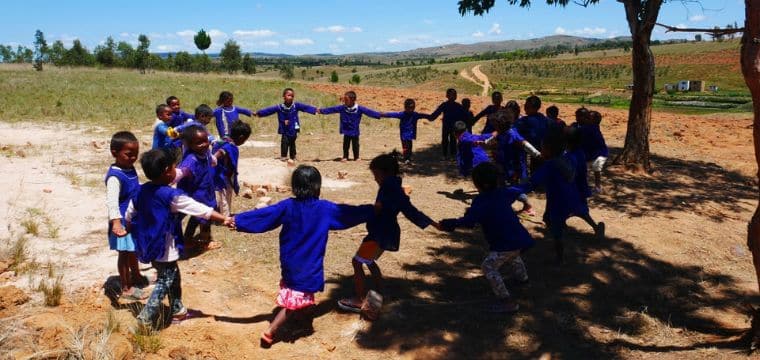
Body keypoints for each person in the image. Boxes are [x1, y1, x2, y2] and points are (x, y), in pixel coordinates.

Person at [233, 165, 373, 348]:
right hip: (308, 264)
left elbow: (263, 216)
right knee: (294, 300)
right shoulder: (325, 209)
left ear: (294, 186)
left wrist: (238, 221)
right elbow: (349, 213)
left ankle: (304, 319)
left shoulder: (287, 206)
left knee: (297, 291)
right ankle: (270, 332)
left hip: (290, 262)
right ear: (317, 187)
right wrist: (372, 210)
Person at [126, 148, 232, 330]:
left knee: (172, 275)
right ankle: (146, 316)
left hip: (148, 243)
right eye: (175, 168)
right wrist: (224, 218)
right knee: (165, 280)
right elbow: (200, 209)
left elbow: (130, 213)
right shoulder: (171, 197)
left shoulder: (141, 190)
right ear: (168, 171)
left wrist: (129, 228)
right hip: (164, 245)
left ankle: (178, 309)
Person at [337, 154, 438, 317]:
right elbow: (409, 210)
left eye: (376, 175)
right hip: (383, 231)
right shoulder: (392, 186)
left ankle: (359, 298)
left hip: (381, 233)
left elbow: (409, 211)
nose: (375, 179)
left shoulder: (391, 188)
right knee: (369, 262)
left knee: (357, 262)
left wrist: (433, 223)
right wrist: (433, 224)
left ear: (386, 172)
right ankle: (382, 291)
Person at [439, 162, 534, 313]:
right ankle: (523, 280)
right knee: (514, 255)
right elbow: (520, 189)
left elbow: (469, 222)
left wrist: (449, 223)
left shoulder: (481, 202)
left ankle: (507, 301)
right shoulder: (505, 192)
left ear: (478, 184)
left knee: (488, 266)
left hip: (504, 242)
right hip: (521, 238)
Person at [510, 131, 604, 264]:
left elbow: (532, 183)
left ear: (548, 150)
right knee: (576, 212)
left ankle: (560, 258)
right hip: (571, 196)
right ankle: (592, 228)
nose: (541, 150)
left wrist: (513, 191)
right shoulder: (567, 158)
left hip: (557, 201)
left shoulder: (549, 166)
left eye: (542, 148)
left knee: (556, 230)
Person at [105, 131, 146, 301]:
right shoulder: (115, 177)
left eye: (135, 155)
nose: (133, 158)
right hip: (121, 222)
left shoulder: (129, 168)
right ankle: (126, 286)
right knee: (124, 253)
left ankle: (136, 275)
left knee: (133, 251)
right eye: (129, 154)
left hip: (133, 219)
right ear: (114, 152)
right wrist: (116, 223)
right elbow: (112, 202)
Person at [175, 125, 220, 251]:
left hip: (205, 190)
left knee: (197, 217)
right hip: (195, 193)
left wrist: (213, 159)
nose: (204, 145)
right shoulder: (191, 159)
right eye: (199, 143)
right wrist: (172, 178)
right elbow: (182, 172)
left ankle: (188, 238)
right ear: (189, 145)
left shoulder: (205, 153)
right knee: (204, 217)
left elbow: (210, 158)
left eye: (205, 141)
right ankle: (205, 241)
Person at [488, 110, 541, 216]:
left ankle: (521, 206)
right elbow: (493, 141)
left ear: (502, 124)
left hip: (513, 168)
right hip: (503, 165)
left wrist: (537, 154)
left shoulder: (512, 134)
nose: (495, 127)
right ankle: (521, 205)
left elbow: (524, 144)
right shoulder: (500, 133)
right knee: (504, 187)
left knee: (511, 188)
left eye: (496, 125)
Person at [254, 88, 318, 161]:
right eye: (289, 95)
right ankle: (284, 156)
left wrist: (315, 110)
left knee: (292, 143)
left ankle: (293, 157)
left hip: (293, 128)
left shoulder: (296, 106)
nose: (291, 97)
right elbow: (269, 110)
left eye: (292, 96)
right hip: (284, 129)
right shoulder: (279, 107)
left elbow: (305, 107)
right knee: (284, 142)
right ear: (284, 96)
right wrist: (259, 113)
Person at [318, 90, 382, 161]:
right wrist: (321, 111)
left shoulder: (359, 109)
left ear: (352, 100)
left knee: (355, 144)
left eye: (346, 100)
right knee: (346, 144)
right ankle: (345, 156)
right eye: (344, 100)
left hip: (355, 130)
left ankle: (356, 157)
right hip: (346, 130)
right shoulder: (342, 108)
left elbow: (369, 112)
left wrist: (379, 115)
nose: (344, 101)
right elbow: (332, 109)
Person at [213, 121, 251, 216]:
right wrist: (214, 158)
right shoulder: (229, 146)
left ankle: (222, 212)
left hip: (222, 174)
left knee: (223, 195)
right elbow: (222, 151)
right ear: (241, 137)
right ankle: (225, 217)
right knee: (224, 196)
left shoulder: (224, 139)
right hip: (223, 175)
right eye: (244, 140)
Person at [380, 99, 434, 164]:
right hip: (404, 134)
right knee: (405, 147)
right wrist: (381, 114)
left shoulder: (415, 115)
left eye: (413, 107)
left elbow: (423, 115)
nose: (411, 109)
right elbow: (392, 114)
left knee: (410, 146)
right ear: (405, 107)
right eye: (410, 107)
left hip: (411, 134)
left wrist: (430, 117)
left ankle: (409, 157)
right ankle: (406, 158)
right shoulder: (402, 114)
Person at [514, 96, 552, 173]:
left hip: (533, 152)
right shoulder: (543, 118)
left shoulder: (525, 121)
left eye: (527, 106)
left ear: (534, 108)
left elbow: (513, 127)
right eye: (525, 105)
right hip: (544, 150)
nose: (525, 107)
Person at [429, 88, 466, 161]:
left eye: (454, 95)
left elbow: (464, 115)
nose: (453, 96)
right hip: (446, 125)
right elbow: (437, 112)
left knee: (453, 140)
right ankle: (444, 154)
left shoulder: (458, 106)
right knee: (445, 140)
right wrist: (431, 117)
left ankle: (453, 155)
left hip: (454, 126)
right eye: (451, 95)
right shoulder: (444, 105)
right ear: (447, 96)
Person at [582, 110, 609, 194]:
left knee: (596, 168)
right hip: (594, 153)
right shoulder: (591, 127)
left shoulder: (591, 128)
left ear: (593, 120)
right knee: (592, 168)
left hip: (600, 153)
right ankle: (595, 186)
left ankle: (597, 187)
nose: (585, 119)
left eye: (588, 118)